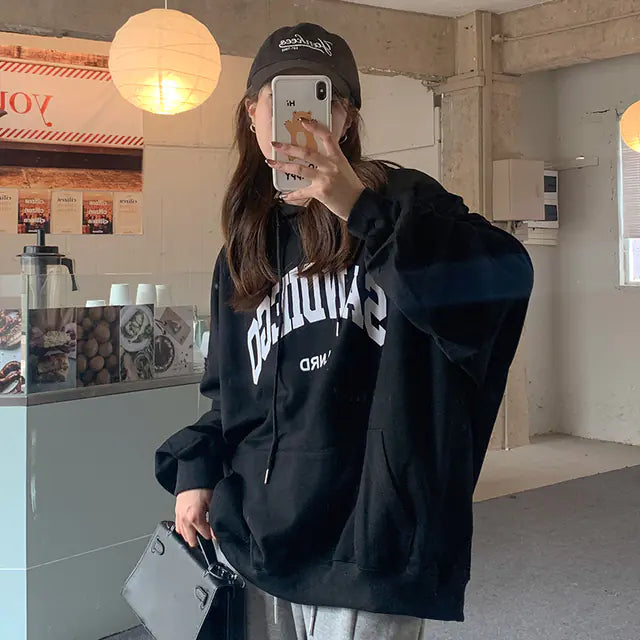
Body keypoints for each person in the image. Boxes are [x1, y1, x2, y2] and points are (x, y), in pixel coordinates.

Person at [155, 22, 534, 640]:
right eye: (279, 100)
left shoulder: (404, 201)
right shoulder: (245, 247)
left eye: (321, 99)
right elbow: (229, 395)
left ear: (347, 118)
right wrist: (197, 468)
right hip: (259, 539)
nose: (299, 118)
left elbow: (504, 281)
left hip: (371, 541)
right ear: (252, 114)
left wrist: (360, 208)